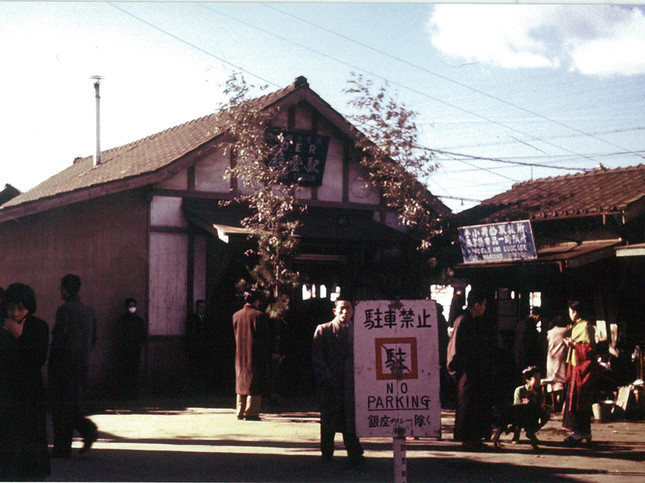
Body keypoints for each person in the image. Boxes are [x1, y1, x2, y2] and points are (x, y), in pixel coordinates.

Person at [0, 283, 51, 480]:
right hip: (6, 395)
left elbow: (36, 360)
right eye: (11, 307)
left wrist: (20, 337)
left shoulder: (38, 327)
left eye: (21, 308)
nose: (15, 313)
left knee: (29, 450)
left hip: (29, 396)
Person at [48, 274, 99, 457]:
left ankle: (64, 447)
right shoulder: (89, 310)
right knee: (71, 406)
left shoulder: (65, 310)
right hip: (80, 365)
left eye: (61, 287)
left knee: (61, 408)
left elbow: (58, 339)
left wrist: (52, 364)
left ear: (65, 289)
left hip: (64, 365)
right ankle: (86, 432)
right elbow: (92, 339)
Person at [311, 298, 364, 468]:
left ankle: (354, 454)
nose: (344, 312)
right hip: (331, 383)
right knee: (329, 420)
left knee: (351, 419)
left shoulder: (360, 331)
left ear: (353, 311)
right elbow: (317, 358)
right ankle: (327, 454)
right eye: (341, 309)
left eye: (348, 309)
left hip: (352, 384)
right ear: (334, 311)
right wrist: (326, 377)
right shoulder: (324, 330)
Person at [447, 288, 493, 450]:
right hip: (466, 372)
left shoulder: (473, 320)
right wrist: (457, 372)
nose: (485, 308)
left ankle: (475, 437)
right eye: (484, 305)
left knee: (476, 404)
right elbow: (455, 349)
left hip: (476, 371)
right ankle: (467, 439)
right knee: (467, 405)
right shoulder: (463, 320)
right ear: (476, 304)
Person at [562, 300, 598, 446]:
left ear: (575, 312)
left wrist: (573, 344)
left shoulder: (586, 326)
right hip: (575, 367)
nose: (569, 315)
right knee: (576, 400)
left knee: (580, 401)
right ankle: (583, 431)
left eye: (570, 312)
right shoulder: (578, 326)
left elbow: (589, 350)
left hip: (583, 371)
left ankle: (580, 432)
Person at [232, 290, 269, 420]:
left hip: (240, 353)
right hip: (255, 353)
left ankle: (240, 410)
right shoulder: (259, 316)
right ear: (256, 301)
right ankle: (251, 412)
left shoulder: (236, 316)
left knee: (241, 380)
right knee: (254, 381)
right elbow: (265, 337)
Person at [114, 298, 147, 399]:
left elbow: (143, 335)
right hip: (124, 351)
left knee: (134, 371)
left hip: (135, 350)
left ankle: (133, 393)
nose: (132, 308)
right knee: (124, 371)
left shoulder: (139, 320)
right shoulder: (121, 321)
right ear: (126, 307)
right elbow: (118, 335)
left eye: (134, 306)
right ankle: (124, 393)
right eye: (130, 306)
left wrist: (139, 345)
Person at [511, 366, 551, 447]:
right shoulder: (520, 390)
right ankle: (516, 433)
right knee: (517, 414)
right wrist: (524, 403)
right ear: (528, 380)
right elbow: (515, 407)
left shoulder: (540, 391)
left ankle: (531, 432)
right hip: (520, 414)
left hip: (533, 414)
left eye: (539, 378)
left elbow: (540, 405)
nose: (538, 381)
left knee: (546, 413)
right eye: (536, 378)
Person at [185, 299, 210, 395]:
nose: (202, 309)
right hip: (195, 348)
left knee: (204, 369)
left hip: (205, 348)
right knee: (194, 369)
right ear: (197, 308)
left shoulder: (208, 318)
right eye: (200, 307)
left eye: (204, 307)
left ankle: (204, 389)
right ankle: (195, 389)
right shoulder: (192, 319)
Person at [546, 315, 570, 412]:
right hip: (560, 359)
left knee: (552, 381)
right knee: (560, 381)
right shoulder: (565, 331)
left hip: (551, 360)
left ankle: (554, 404)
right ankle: (559, 404)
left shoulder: (550, 332)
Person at [514, 307, 543, 379]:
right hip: (527, 356)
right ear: (537, 316)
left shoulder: (522, 323)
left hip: (518, 355)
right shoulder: (531, 325)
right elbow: (532, 343)